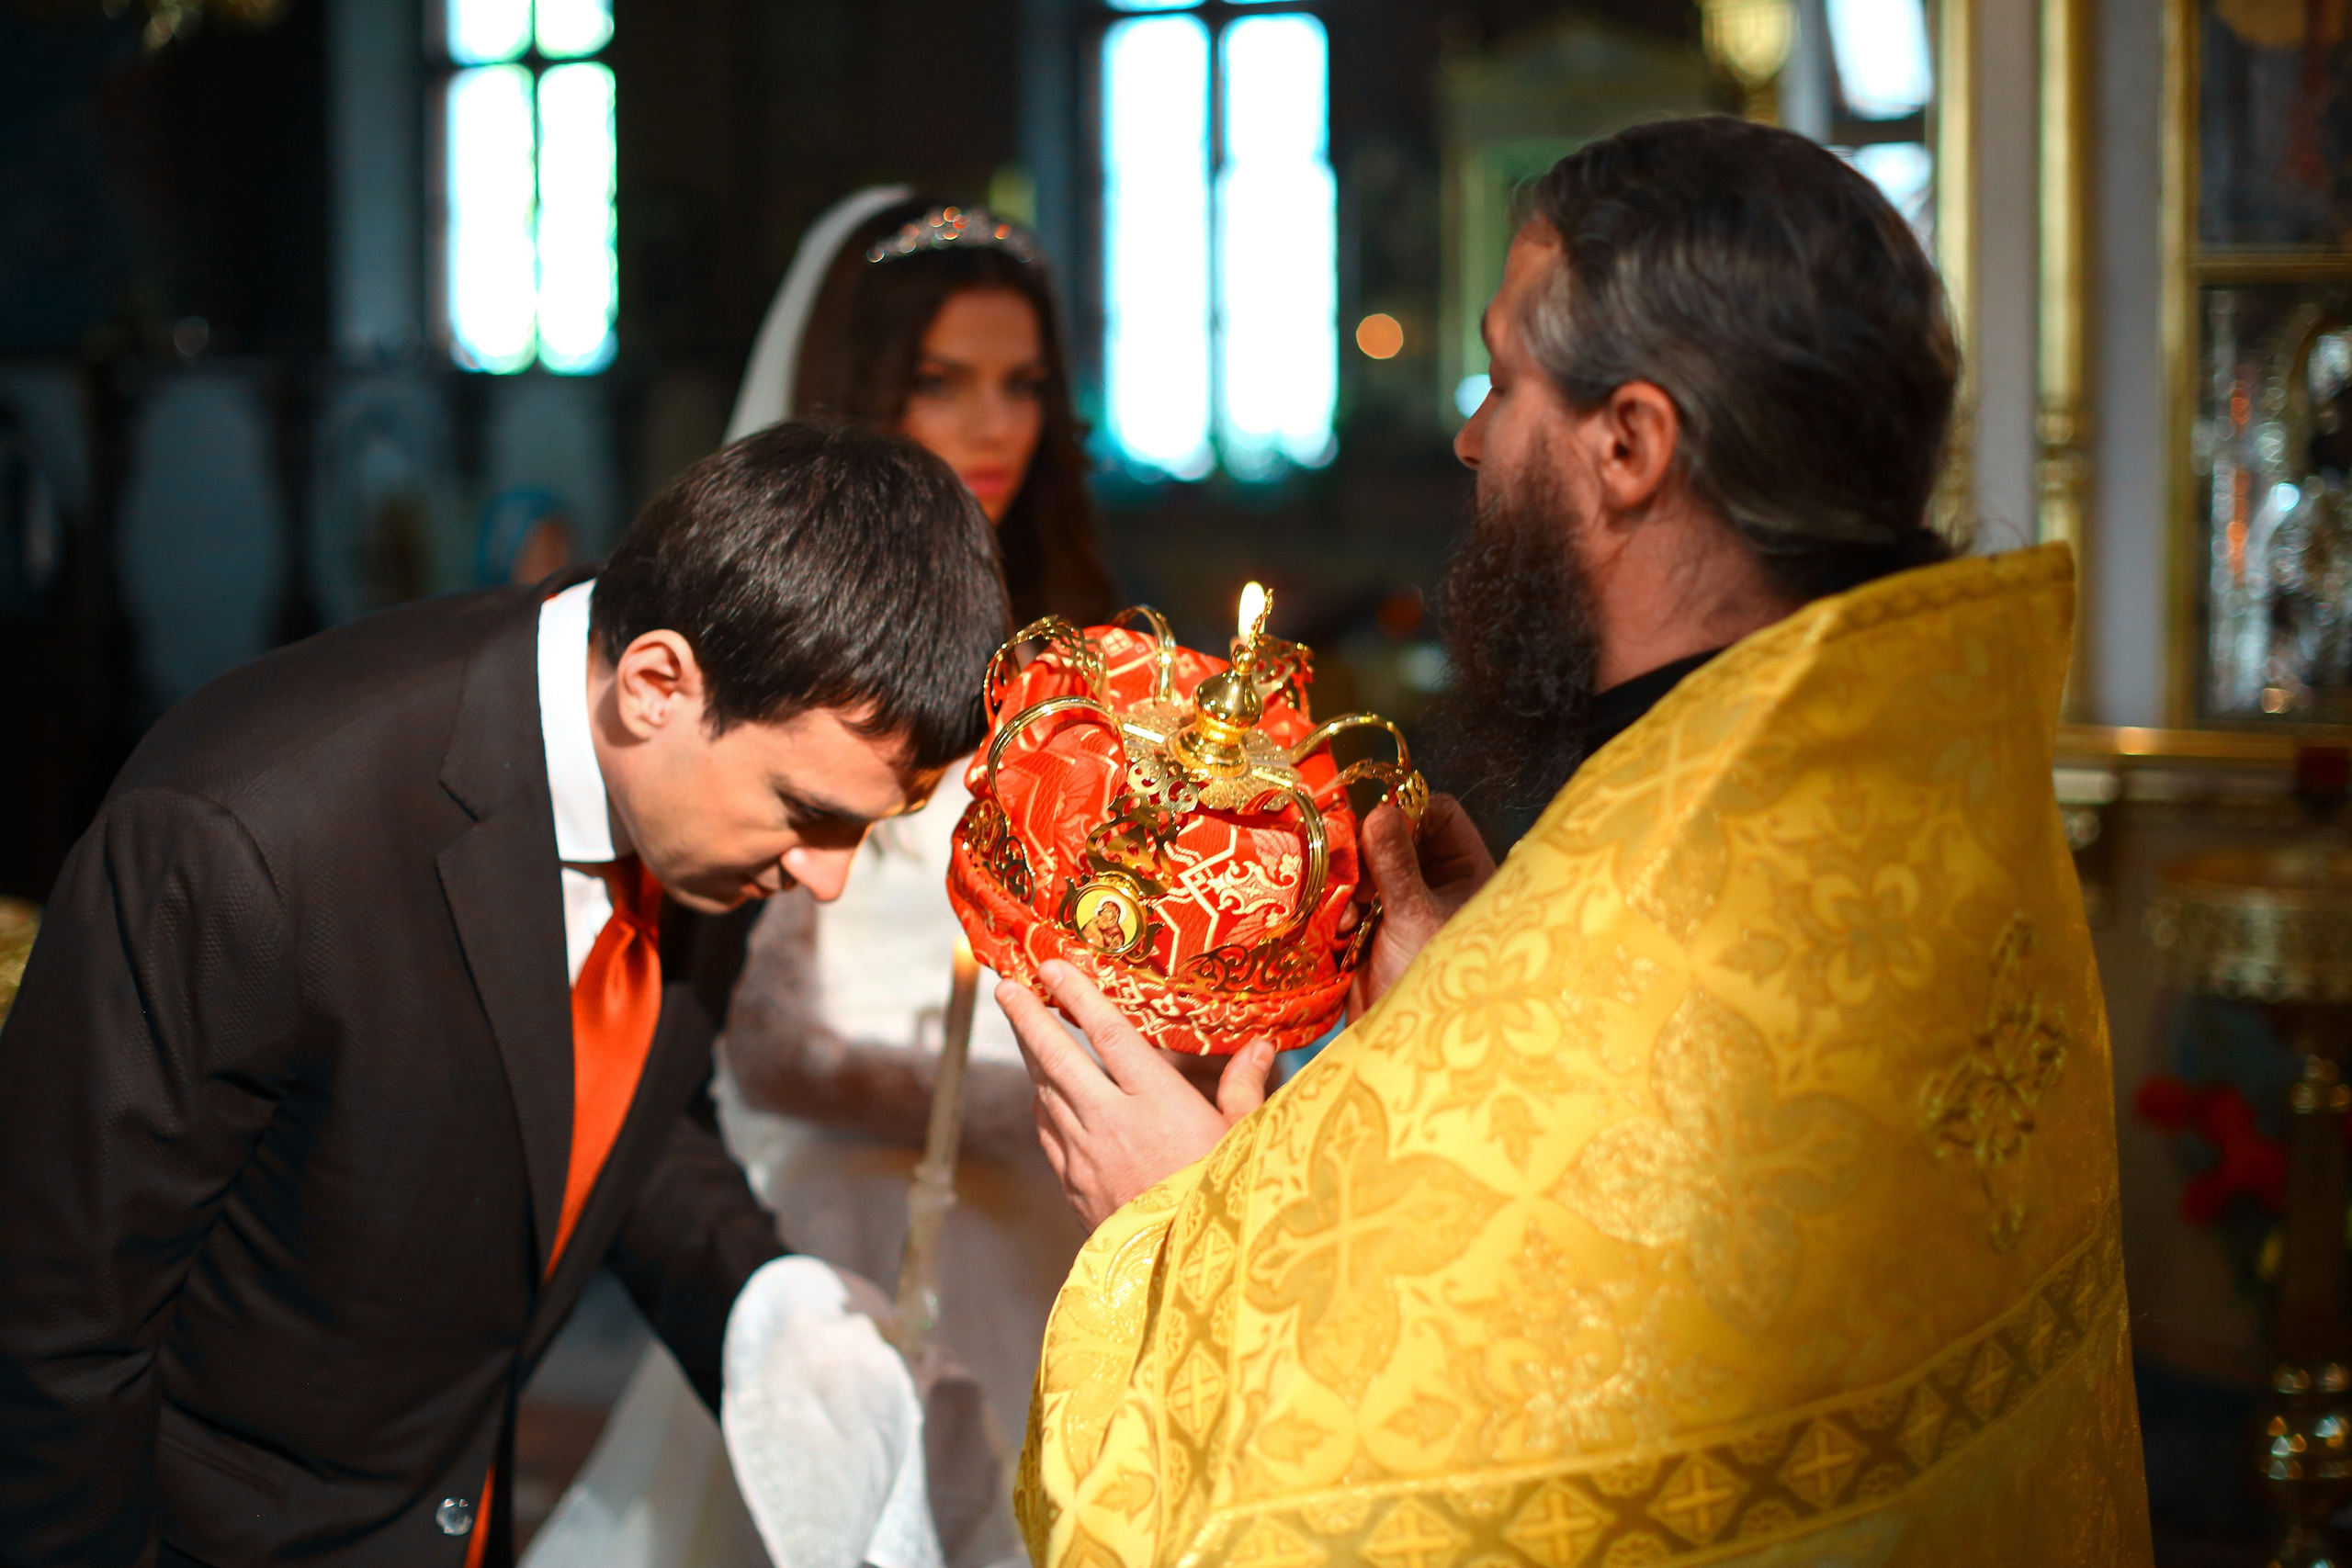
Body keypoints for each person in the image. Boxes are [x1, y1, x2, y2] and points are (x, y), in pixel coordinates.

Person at [1003, 118, 2153, 1566]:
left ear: (1629, 444)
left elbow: (1318, 1513)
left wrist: (1173, 1235)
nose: (1476, 437)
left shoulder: (1649, 925)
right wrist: (1473, 995)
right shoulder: (1929, 800)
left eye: (1501, 381)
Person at [0, 422, 1012, 1566]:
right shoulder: (246, 843)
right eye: (808, 816)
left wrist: (775, 1315)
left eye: (861, 834)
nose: (821, 880)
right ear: (655, 686)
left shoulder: (699, 796)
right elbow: (56, 1334)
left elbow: (613, 1099)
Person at [524, 192, 1109, 1568]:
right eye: (942, 381)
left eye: (1023, 384)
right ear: (857, 390)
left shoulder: (1082, 657)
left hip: (1047, 1244)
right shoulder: (760, 694)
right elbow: (758, 1040)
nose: (994, 426)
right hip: (836, 1237)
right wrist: (1049, 1098)